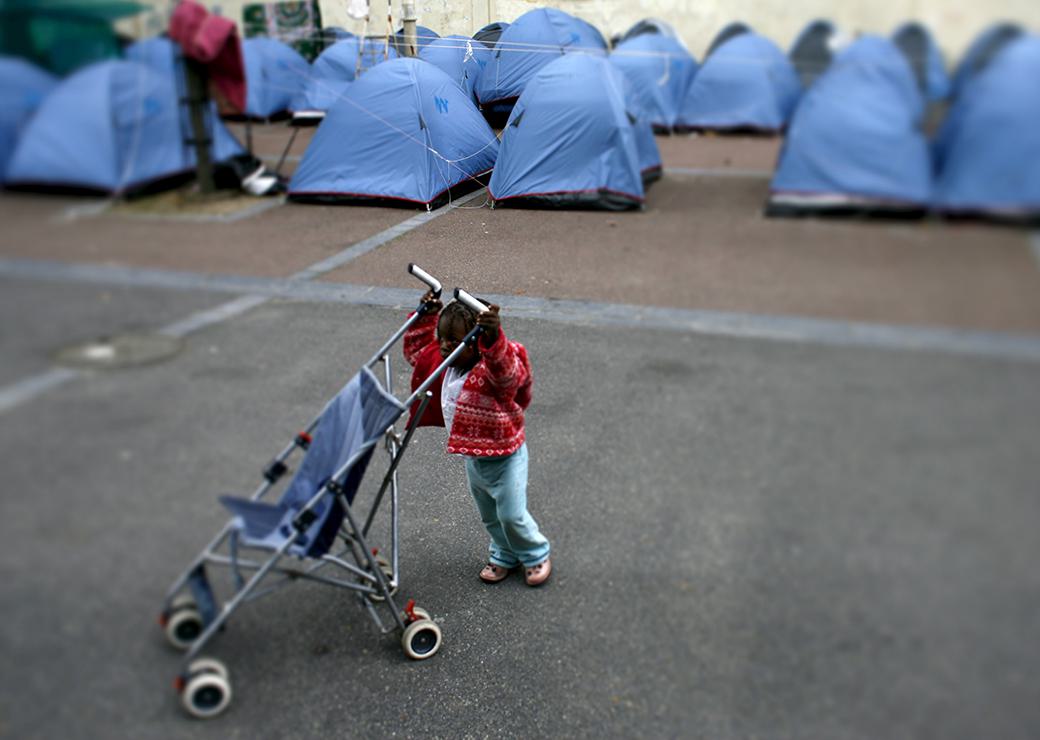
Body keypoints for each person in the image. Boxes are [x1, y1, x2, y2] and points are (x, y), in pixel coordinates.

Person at [403, 290, 552, 586]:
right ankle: (504, 553)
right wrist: (426, 316)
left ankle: (535, 553)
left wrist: (495, 338)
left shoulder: (490, 367)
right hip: (475, 458)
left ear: (477, 340)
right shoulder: (445, 364)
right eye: (442, 337)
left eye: (454, 340)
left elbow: (509, 376)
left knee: (511, 514)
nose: (445, 346)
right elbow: (419, 352)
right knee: (490, 516)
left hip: (507, 454)